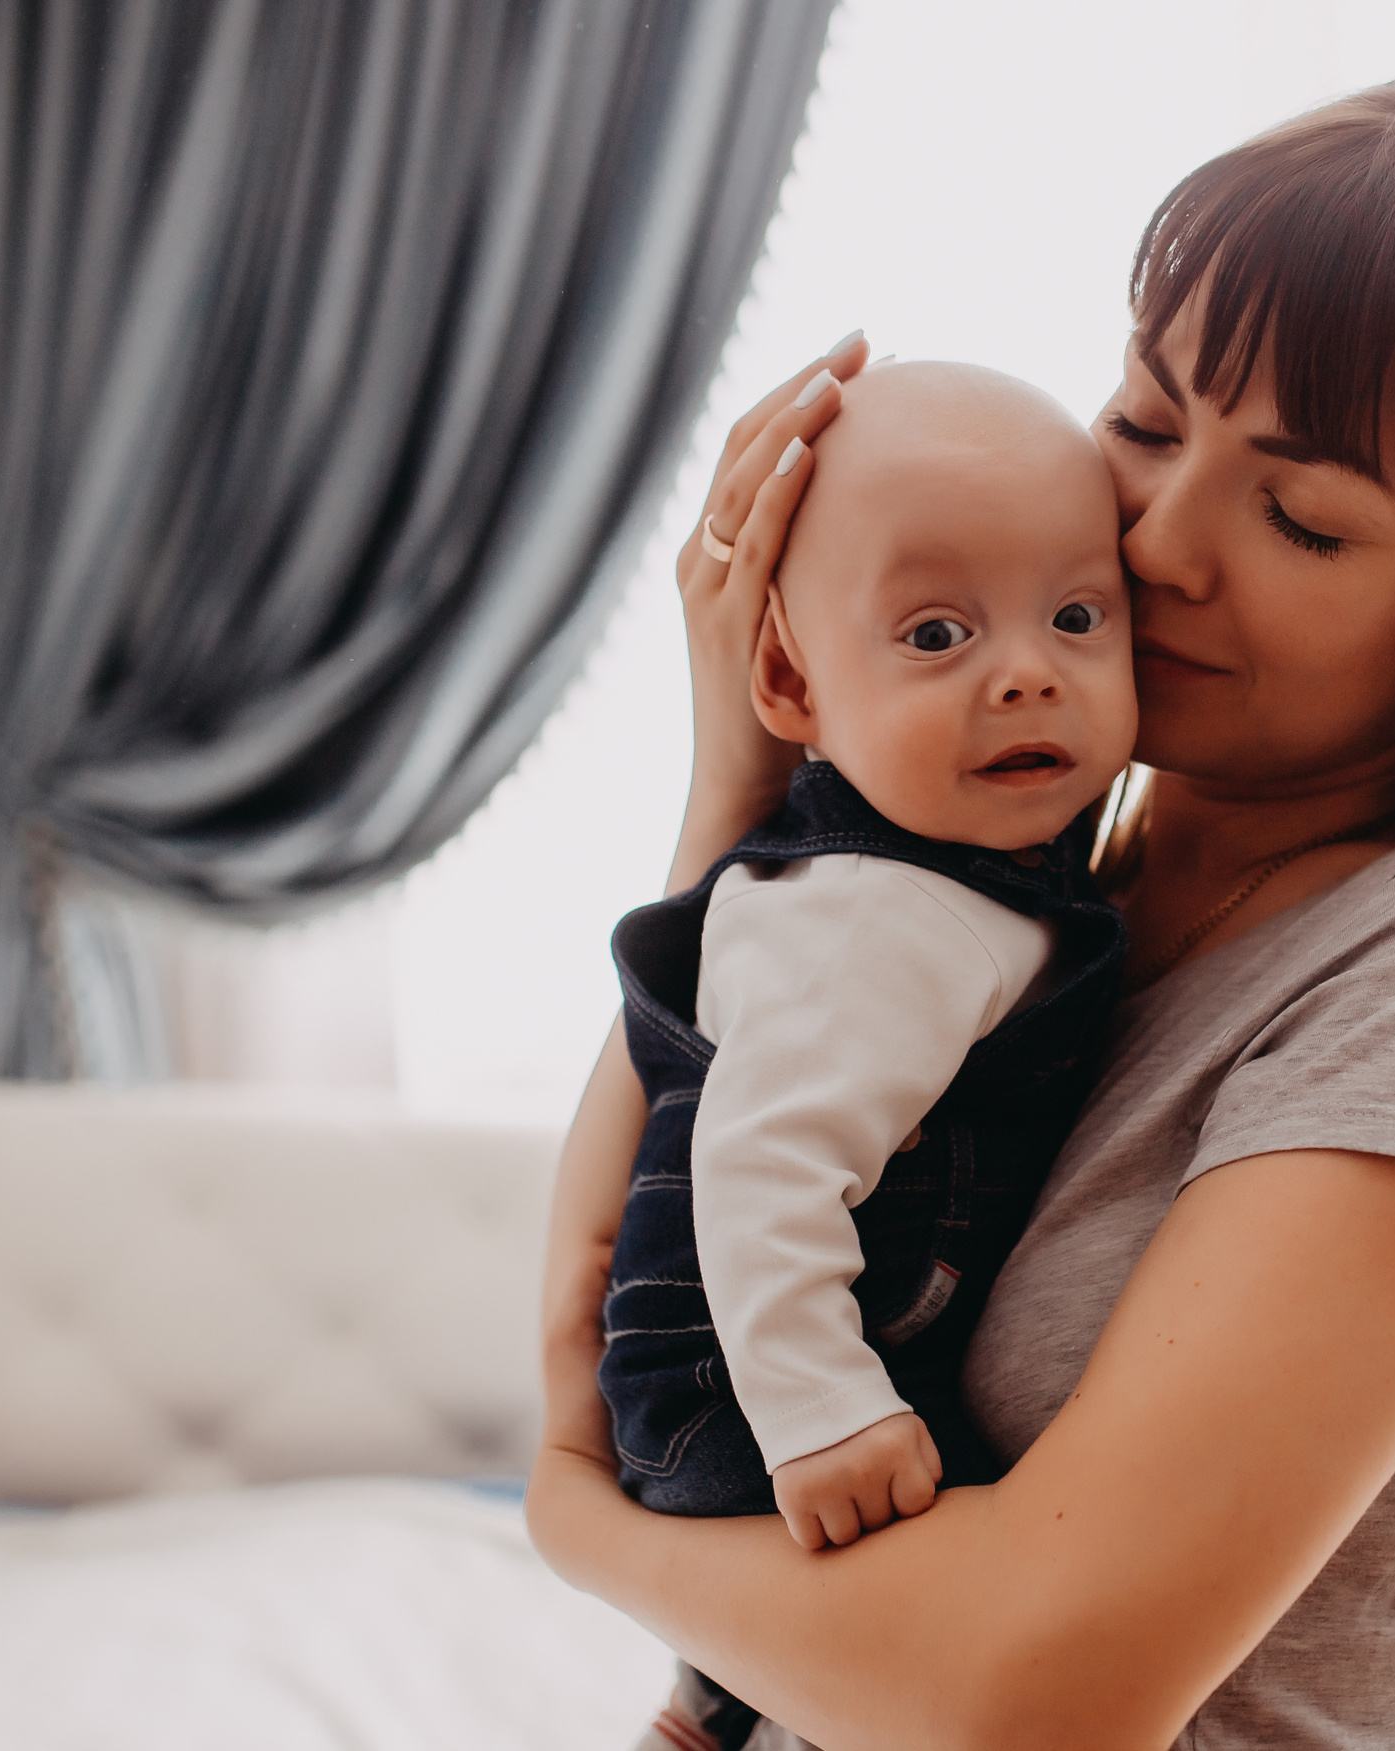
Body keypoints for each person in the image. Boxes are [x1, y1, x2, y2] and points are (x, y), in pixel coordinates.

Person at [530, 77, 1395, 1751]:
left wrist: (584, 1534)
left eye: (1301, 514)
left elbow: (1030, 1699)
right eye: (1148, 426)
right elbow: (610, 1272)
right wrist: (750, 788)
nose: (1160, 542)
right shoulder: (1041, 890)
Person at [598, 365, 1135, 1750]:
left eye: (1078, 616)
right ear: (788, 677)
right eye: (937, 632)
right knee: (957, 1571)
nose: (1028, 671)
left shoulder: (964, 866)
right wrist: (823, 1410)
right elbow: (763, 1156)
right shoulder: (883, 913)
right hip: (746, 1376)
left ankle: (706, 1708)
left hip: (778, 1351)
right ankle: (726, 1705)